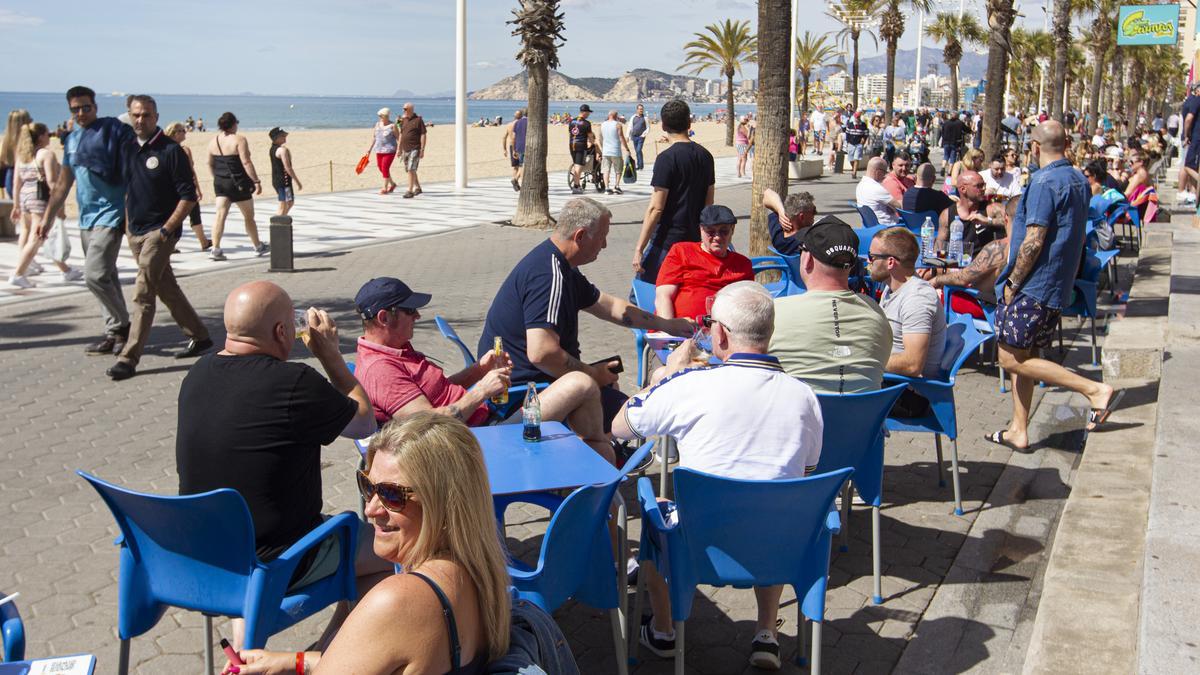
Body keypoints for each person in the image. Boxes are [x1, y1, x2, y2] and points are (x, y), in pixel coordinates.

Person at [612, 281, 823, 671]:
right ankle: (766, 633)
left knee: (654, 504)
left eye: (709, 323)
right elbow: (804, 474)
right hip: (780, 546)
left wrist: (665, 376)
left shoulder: (690, 386)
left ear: (720, 333)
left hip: (700, 548)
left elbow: (620, 426)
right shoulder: (804, 396)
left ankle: (663, 631)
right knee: (777, 498)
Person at [177, 281, 389, 649]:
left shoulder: (197, 374)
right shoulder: (294, 382)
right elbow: (364, 422)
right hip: (279, 560)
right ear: (281, 332)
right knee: (393, 552)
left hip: (207, 557)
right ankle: (326, 658)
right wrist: (330, 356)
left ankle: (248, 656)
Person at [223, 413, 517, 674]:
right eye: (368, 487)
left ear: (442, 504)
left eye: (391, 495)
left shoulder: (397, 601)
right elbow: (386, 656)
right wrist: (294, 662)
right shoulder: (482, 574)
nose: (371, 509)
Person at [478, 198, 694, 445]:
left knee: (612, 380)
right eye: (602, 236)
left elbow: (609, 306)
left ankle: (605, 451)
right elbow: (542, 353)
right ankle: (601, 459)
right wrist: (592, 374)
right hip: (523, 395)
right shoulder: (548, 276)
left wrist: (667, 324)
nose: (604, 244)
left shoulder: (560, 265)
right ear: (580, 236)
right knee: (630, 415)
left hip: (535, 382)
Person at [353, 277, 613, 460]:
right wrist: (481, 391)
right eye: (410, 311)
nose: (417, 317)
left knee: (579, 392)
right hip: (477, 442)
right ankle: (597, 454)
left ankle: (593, 454)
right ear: (384, 318)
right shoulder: (381, 370)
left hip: (484, 423)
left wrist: (477, 371)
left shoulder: (395, 349)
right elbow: (428, 426)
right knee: (581, 383)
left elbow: (437, 392)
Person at [989, 121, 1122, 451]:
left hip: (1034, 284)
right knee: (1027, 354)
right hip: (1057, 284)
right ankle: (1018, 429)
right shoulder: (1078, 178)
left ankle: (1094, 390)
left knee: (1008, 359)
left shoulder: (1044, 181)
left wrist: (1014, 281)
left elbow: (1034, 240)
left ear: (1034, 146)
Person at [107, 95, 213, 382]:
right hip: (135, 232)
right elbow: (127, 189)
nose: (140, 120)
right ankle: (201, 337)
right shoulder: (127, 148)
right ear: (129, 116)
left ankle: (128, 359)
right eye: (136, 115)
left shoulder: (170, 151)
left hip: (160, 234)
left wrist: (166, 231)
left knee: (143, 293)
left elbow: (188, 196)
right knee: (166, 287)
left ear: (156, 117)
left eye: (147, 115)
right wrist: (128, 227)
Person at [35, 86, 133, 354]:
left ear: (95, 107)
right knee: (108, 277)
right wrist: (47, 218)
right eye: (75, 109)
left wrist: (129, 212)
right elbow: (63, 184)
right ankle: (114, 333)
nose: (80, 113)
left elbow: (129, 173)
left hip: (111, 214)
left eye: (85, 107)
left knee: (94, 276)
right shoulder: (72, 141)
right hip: (86, 217)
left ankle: (124, 325)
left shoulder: (112, 132)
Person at [770, 218, 891, 393]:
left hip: (800, 418)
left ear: (807, 259)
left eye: (801, 250)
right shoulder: (876, 312)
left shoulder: (775, 312)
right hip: (864, 418)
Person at [633, 99, 715, 283]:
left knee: (642, 289)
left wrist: (639, 248)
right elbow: (709, 202)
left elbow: (656, 208)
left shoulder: (666, 159)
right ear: (689, 123)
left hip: (667, 240)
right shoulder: (706, 156)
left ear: (663, 125)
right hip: (695, 238)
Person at [8, 122, 83, 288]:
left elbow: (16, 182)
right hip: (39, 199)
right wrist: (59, 205)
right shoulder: (46, 154)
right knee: (38, 237)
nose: (49, 136)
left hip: (25, 197)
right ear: (41, 136)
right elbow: (51, 182)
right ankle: (18, 273)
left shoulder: (22, 155)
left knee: (32, 234)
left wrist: (16, 205)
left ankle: (65, 270)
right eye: (46, 134)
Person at [868, 227, 946, 382]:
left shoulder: (917, 299)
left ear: (890, 262)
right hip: (889, 380)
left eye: (872, 257)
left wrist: (865, 361)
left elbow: (912, 364)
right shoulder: (891, 288)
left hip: (906, 392)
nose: (868, 262)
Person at [654, 204, 753, 319]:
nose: (717, 237)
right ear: (701, 229)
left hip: (725, 330)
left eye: (724, 231)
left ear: (732, 230)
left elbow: (748, 305)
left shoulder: (743, 264)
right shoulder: (681, 251)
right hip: (681, 329)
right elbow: (663, 296)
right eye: (710, 232)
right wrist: (670, 330)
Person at [931, 197, 1016, 308]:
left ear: (1005, 218)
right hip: (1006, 302)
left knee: (931, 295)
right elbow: (939, 249)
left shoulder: (997, 247)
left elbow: (963, 278)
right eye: (979, 185)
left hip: (982, 304)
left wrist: (936, 280)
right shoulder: (1031, 246)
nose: (983, 189)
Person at [207, 112, 267, 261]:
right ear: (234, 124)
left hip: (221, 183)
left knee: (220, 216)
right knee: (248, 217)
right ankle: (257, 246)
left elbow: (209, 163)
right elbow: (246, 162)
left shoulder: (213, 141)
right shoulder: (239, 139)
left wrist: (216, 178)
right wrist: (256, 181)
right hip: (238, 183)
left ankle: (215, 249)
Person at [164, 122, 211, 250]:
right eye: (182, 131)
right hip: (184, 188)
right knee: (193, 214)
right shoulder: (183, 150)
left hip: (172, 188)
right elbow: (191, 171)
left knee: (173, 215)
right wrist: (197, 188)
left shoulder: (164, 150)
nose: (185, 132)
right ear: (175, 133)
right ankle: (203, 242)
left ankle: (201, 242)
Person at [762, 188, 815, 256]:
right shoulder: (807, 238)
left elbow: (767, 193)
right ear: (801, 217)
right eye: (813, 211)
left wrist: (780, 210)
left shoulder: (778, 234)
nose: (815, 214)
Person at [856, 157, 901, 225]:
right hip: (887, 227)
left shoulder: (860, 185)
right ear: (878, 172)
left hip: (870, 225)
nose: (885, 175)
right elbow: (899, 207)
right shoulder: (877, 189)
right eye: (885, 172)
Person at [268, 127, 301, 216]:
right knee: (284, 204)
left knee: (290, 202)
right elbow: (288, 168)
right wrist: (297, 182)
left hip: (280, 180)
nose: (284, 137)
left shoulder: (273, 148)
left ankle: (282, 219)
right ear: (277, 138)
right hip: (283, 181)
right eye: (282, 136)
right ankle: (278, 222)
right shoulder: (282, 150)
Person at [0, 109, 32, 199]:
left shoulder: (6, 141)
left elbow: (2, 162)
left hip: (10, 176)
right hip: (25, 176)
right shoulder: (27, 143)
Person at [366, 108, 399, 194]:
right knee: (381, 168)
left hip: (390, 150)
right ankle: (392, 184)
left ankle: (385, 188)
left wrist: (400, 149)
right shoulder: (377, 124)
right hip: (379, 149)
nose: (380, 117)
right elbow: (375, 137)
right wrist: (369, 149)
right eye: (379, 116)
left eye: (381, 116)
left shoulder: (393, 125)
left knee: (385, 168)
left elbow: (398, 138)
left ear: (386, 116)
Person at [398, 102, 427, 199]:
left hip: (415, 148)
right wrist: (399, 148)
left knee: (411, 169)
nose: (403, 110)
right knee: (410, 170)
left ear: (411, 109)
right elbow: (401, 133)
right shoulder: (403, 120)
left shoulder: (418, 120)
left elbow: (423, 134)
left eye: (405, 109)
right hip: (405, 149)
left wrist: (422, 149)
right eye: (403, 109)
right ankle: (418, 188)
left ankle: (409, 191)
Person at [599, 110, 630, 195]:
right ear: (616, 116)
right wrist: (626, 148)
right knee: (618, 169)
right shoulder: (618, 125)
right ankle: (616, 186)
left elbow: (600, 138)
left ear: (609, 115)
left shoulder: (603, 124)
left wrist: (603, 147)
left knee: (606, 170)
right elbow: (621, 137)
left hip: (606, 151)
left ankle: (607, 188)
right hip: (615, 150)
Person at [568, 104, 596, 194]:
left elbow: (570, 133)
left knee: (576, 165)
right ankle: (576, 186)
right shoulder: (586, 123)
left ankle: (577, 184)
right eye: (588, 112)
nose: (589, 114)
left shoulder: (572, 121)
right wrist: (592, 143)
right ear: (584, 112)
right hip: (581, 145)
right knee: (579, 166)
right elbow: (590, 136)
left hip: (572, 144)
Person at [502, 109, 527, 192]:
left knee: (515, 167)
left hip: (511, 146)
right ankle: (517, 181)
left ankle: (515, 183)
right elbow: (514, 137)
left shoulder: (509, 124)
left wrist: (505, 149)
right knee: (522, 165)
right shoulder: (519, 124)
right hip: (518, 145)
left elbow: (504, 137)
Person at [844, 110, 869, 179]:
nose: (857, 118)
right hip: (851, 143)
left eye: (858, 117)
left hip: (859, 144)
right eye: (856, 117)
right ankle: (853, 168)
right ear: (854, 117)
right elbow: (847, 134)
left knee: (856, 158)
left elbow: (866, 133)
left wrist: (864, 139)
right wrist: (848, 141)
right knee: (851, 159)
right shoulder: (850, 124)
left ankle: (854, 172)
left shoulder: (863, 125)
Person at [630, 103, 649, 170]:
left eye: (642, 109)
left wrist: (643, 135)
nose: (641, 110)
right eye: (640, 109)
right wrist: (628, 136)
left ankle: (640, 166)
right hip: (634, 136)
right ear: (637, 110)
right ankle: (639, 165)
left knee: (638, 150)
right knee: (637, 151)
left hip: (641, 137)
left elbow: (648, 127)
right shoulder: (633, 117)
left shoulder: (645, 118)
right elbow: (630, 127)